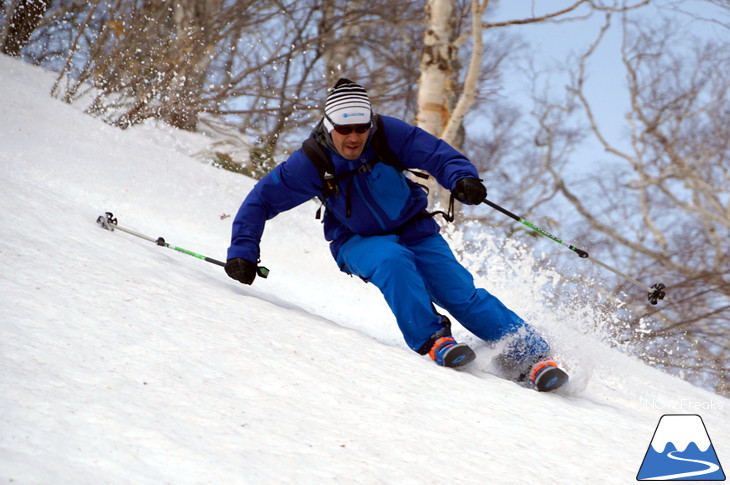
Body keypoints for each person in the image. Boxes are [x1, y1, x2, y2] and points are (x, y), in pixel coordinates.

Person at [225, 78, 568, 391]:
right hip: (356, 241)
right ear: (330, 128)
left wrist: (462, 178)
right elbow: (261, 201)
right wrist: (242, 252)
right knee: (392, 260)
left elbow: (437, 155)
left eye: (361, 128)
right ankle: (433, 338)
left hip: (414, 228)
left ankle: (531, 356)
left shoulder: (388, 134)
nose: (354, 137)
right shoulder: (311, 162)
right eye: (345, 130)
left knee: (460, 293)